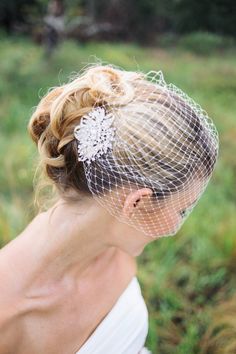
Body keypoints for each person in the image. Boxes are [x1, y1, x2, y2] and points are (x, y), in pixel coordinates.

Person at [0, 64, 219, 353]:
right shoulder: (9, 315)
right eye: (182, 210)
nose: (175, 228)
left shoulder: (112, 246)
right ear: (136, 202)